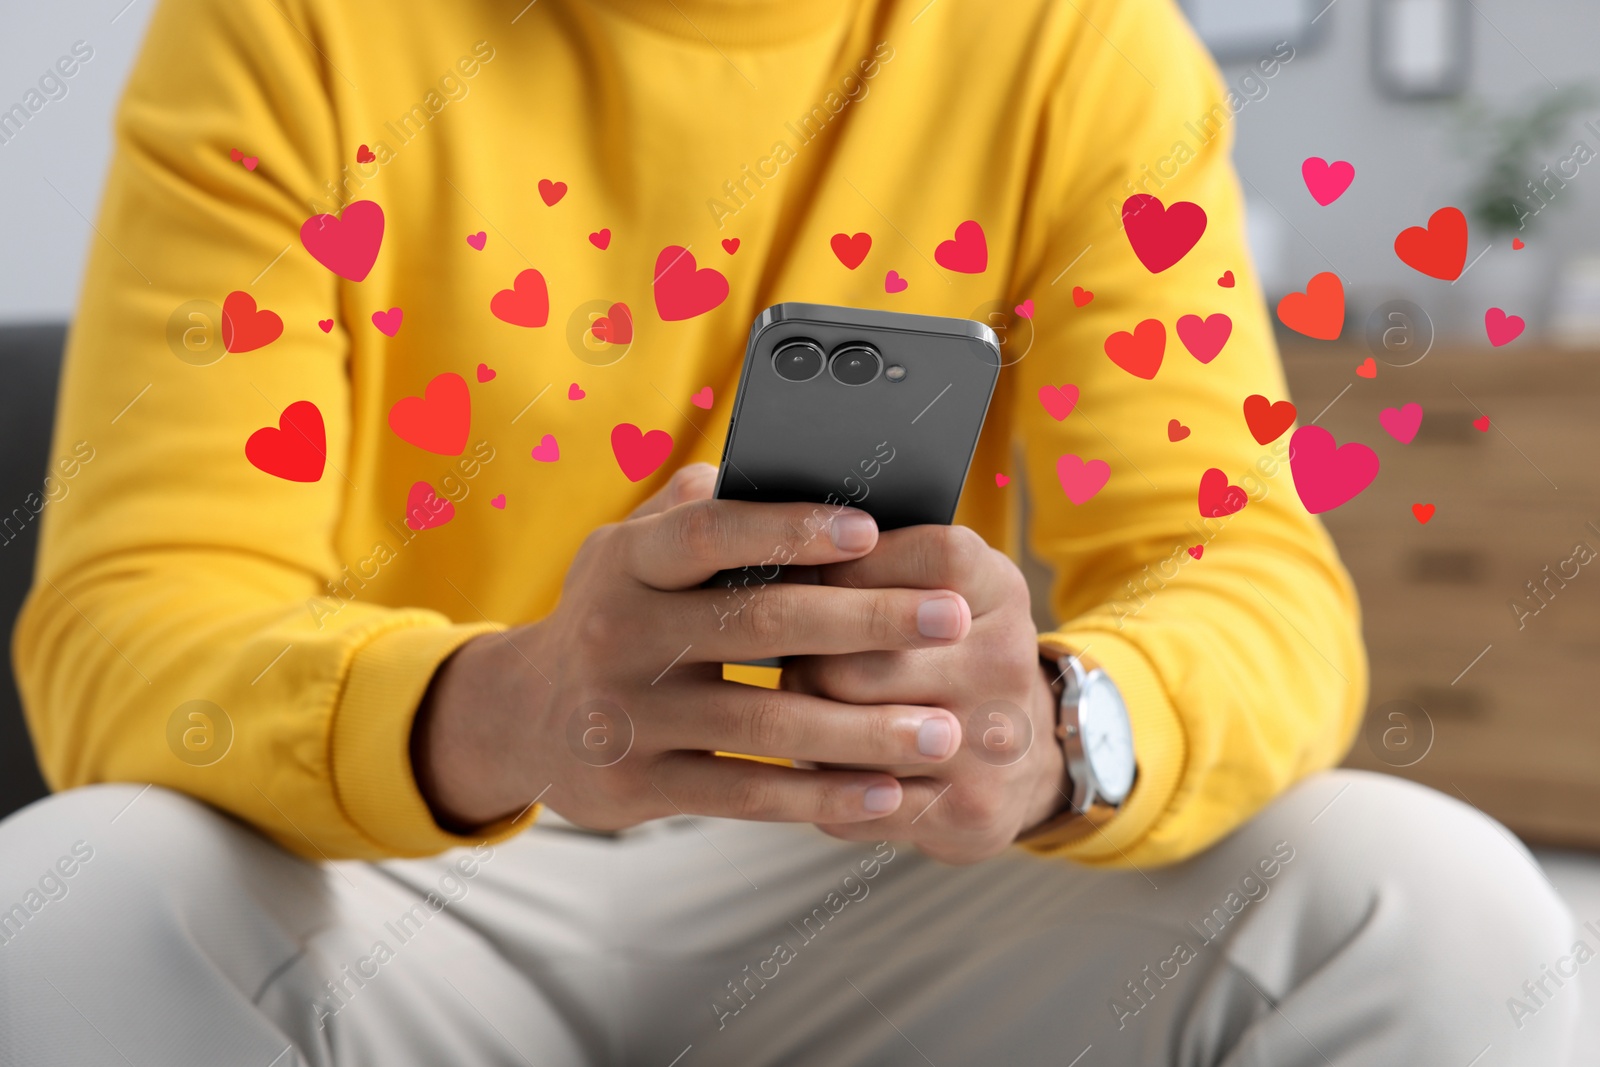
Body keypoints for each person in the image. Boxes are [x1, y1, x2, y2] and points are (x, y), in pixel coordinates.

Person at [0, 0, 1581, 1062]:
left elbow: (1245, 577)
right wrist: (510, 709)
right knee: (65, 894)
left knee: (1425, 894)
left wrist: (1052, 730)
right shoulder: (284, 31)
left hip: (887, 860)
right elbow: (128, 620)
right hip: (404, 877)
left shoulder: (1068, 41)